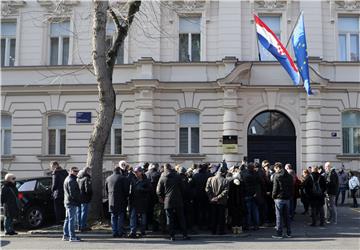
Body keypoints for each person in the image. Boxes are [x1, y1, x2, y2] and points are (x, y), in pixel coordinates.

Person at [156, 163, 190, 241]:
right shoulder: (177, 176)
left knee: (169, 219)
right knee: (181, 218)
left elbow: (158, 191)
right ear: (170, 168)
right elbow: (183, 188)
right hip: (178, 199)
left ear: (164, 168)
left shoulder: (162, 177)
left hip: (167, 200)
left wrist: (161, 197)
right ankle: (184, 235)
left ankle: (172, 236)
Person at [106, 164, 130, 237]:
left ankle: (114, 232)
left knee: (113, 216)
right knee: (120, 216)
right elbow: (126, 190)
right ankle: (120, 232)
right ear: (119, 170)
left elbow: (107, 189)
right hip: (121, 200)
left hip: (111, 200)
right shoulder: (123, 178)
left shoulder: (108, 178)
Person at [205, 164, 229, 235]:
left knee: (213, 216)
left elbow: (207, 189)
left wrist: (211, 198)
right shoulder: (225, 181)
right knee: (221, 217)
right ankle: (221, 231)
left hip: (212, 201)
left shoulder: (210, 179)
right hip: (221, 201)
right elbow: (225, 191)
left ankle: (213, 231)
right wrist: (217, 197)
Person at [271, 162, 294, 239]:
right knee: (287, 217)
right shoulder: (289, 176)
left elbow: (275, 188)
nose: (275, 170)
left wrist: (273, 196)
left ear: (277, 168)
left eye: (275, 168)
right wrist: (290, 195)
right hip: (287, 199)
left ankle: (279, 234)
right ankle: (289, 233)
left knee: (279, 217)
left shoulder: (276, 176)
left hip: (279, 198)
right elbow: (291, 187)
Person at [128, 166, 151, 238]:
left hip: (142, 201)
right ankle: (133, 231)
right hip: (134, 201)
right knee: (133, 216)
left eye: (137, 172)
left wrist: (142, 189)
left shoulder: (146, 180)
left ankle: (142, 231)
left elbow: (150, 189)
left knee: (143, 217)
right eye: (135, 172)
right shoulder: (132, 179)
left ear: (141, 172)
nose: (136, 173)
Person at [190, 163, 211, 230]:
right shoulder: (209, 175)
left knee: (199, 210)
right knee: (207, 210)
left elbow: (191, 185)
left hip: (197, 196)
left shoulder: (196, 176)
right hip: (207, 195)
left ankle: (199, 225)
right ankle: (207, 224)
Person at [63, 167, 81, 242]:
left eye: (77, 171)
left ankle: (66, 235)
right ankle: (72, 236)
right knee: (71, 220)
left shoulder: (68, 179)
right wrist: (78, 201)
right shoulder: (71, 180)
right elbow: (73, 194)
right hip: (71, 202)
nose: (77, 172)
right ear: (71, 171)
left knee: (68, 219)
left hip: (68, 201)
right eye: (75, 171)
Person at [145, 163, 161, 232]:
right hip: (155, 196)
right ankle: (155, 227)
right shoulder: (158, 174)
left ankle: (145, 226)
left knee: (146, 212)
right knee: (155, 212)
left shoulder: (145, 174)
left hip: (146, 196)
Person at [77, 167, 92, 231]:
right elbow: (88, 189)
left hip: (79, 197)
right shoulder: (86, 178)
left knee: (79, 212)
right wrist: (90, 194)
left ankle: (79, 225)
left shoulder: (78, 178)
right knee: (84, 213)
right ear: (87, 171)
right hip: (85, 198)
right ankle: (83, 226)